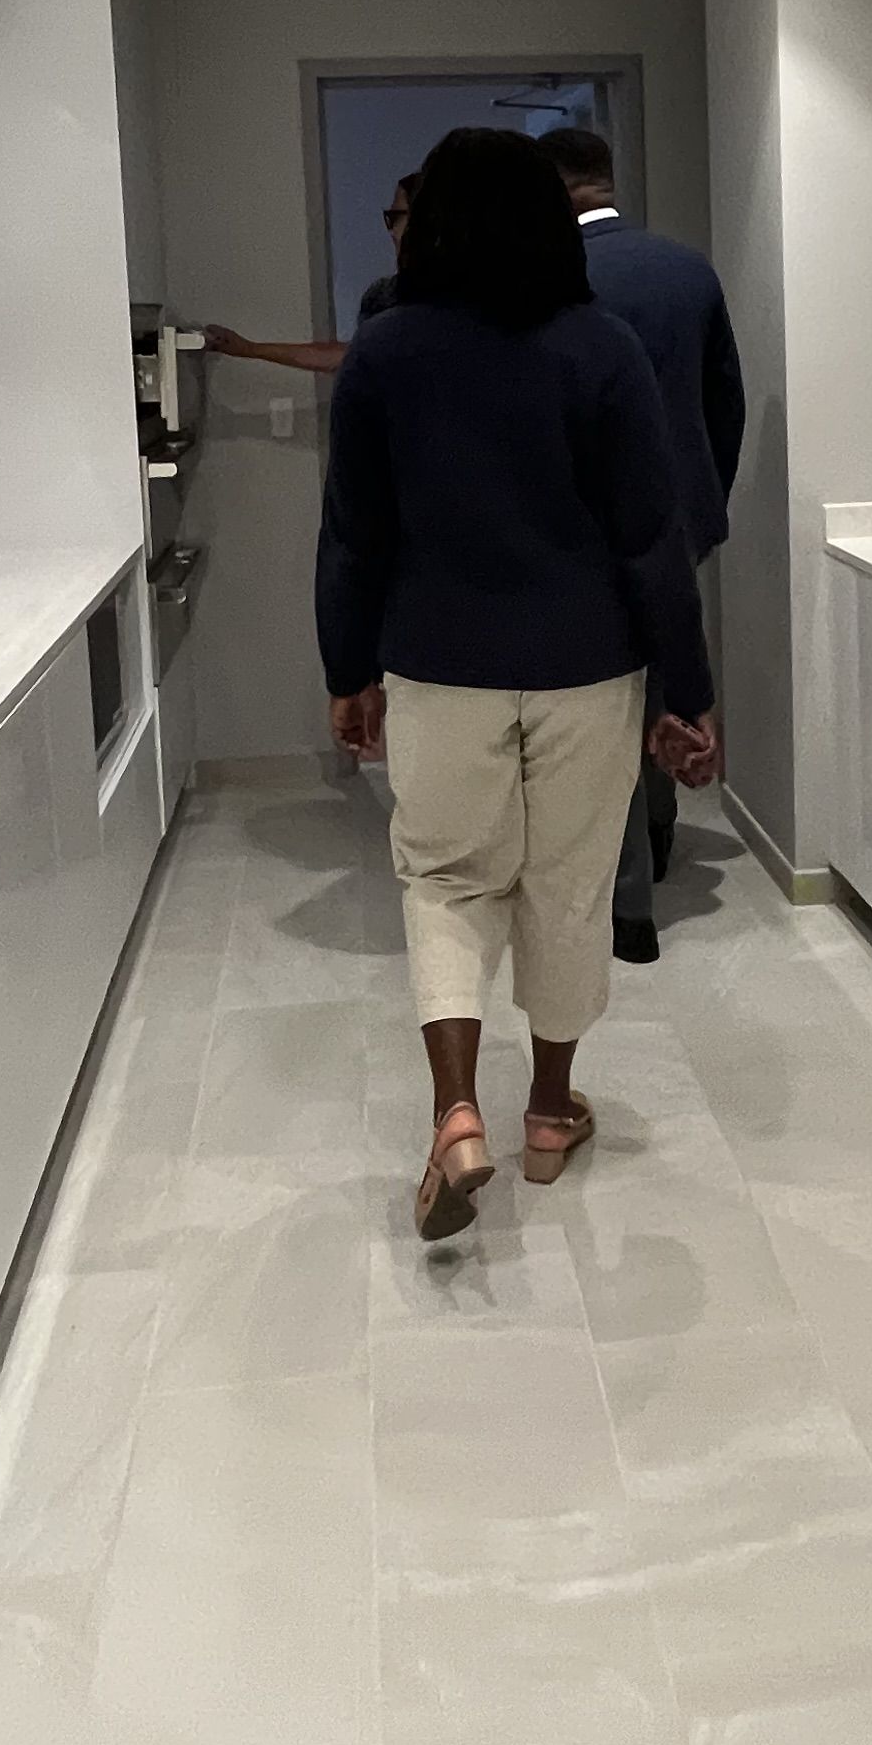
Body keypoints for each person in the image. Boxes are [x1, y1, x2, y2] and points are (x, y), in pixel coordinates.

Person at [316, 127, 719, 1242]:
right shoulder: (600, 351)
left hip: (438, 665)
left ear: (427, 221)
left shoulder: (388, 355)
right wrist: (685, 689)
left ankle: (456, 1115)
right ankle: (548, 1111)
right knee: (569, 885)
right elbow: (652, 537)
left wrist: (347, 670)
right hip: (588, 666)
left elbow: (353, 535)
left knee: (445, 882)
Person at [537, 121, 744, 964]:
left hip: (582, 527)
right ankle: (660, 836)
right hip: (679, 517)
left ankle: (626, 910)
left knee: (601, 711)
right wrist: (703, 501)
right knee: (666, 674)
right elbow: (724, 400)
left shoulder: (547, 278)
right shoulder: (687, 269)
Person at [201, 171, 410, 377]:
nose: (391, 231)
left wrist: (250, 349)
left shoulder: (425, 302)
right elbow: (349, 356)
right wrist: (249, 349)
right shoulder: (384, 296)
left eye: (396, 217)